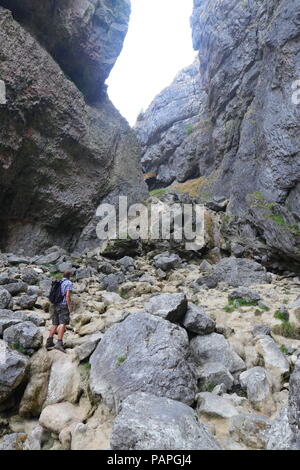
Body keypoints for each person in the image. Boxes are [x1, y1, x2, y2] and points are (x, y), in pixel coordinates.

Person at [46, 271, 73, 353]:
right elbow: (68, 295)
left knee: (55, 323)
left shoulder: (60, 281)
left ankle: (49, 342)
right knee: (62, 323)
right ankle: (59, 343)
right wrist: (69, 306)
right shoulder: (68, 282)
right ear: (69, 275)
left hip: (55, 305)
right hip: (63, 305)